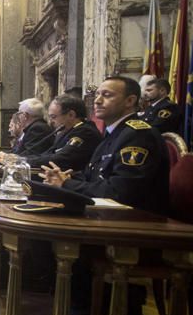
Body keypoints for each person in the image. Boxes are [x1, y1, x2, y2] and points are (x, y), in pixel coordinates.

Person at [41, 76, 169, 214]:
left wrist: (67, 184)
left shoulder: (139, 135)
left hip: (135, 222)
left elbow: (120, 192)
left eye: (107, 95)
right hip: (107, 214)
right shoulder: (114, 132)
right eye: (97, 95)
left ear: (130, 101)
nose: (97, 101)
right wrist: (64, 177)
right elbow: (94, 176)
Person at [24, 94, 102, 171]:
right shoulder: (65, 132)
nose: (51, 122)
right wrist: (23, 159)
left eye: (53, 117)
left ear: (71, 115)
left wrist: (24, 162)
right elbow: (47, 154)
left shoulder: (86, 132)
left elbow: (61, 159)